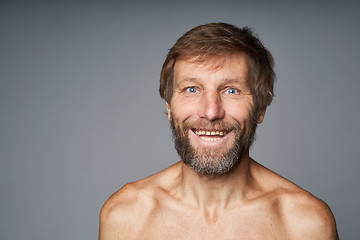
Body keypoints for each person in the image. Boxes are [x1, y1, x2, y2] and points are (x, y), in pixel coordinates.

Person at [99, 22, 339, 239]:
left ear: (261, 108)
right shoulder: (125, 217)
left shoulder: (306, 224)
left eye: (231, 90)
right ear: (169, 107)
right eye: (192, 89)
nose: (211, 111)